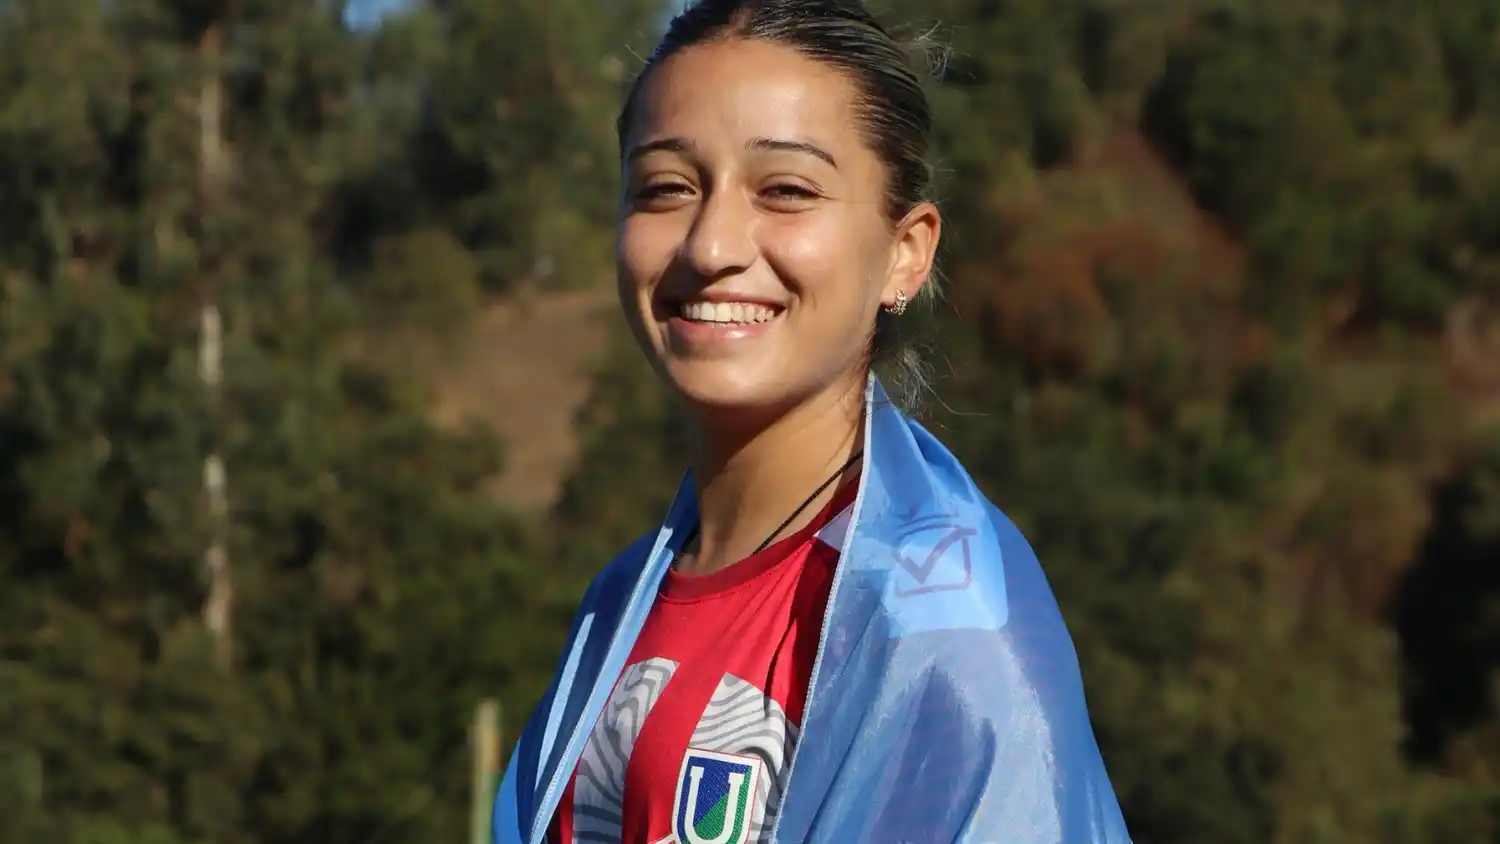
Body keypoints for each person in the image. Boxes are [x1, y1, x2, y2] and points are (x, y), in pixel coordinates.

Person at [493, 1, 1133, 842]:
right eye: (666, 188)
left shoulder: (943, 631)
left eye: (786, 190)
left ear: (906, 251)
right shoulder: (616, 606)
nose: (711, 243)